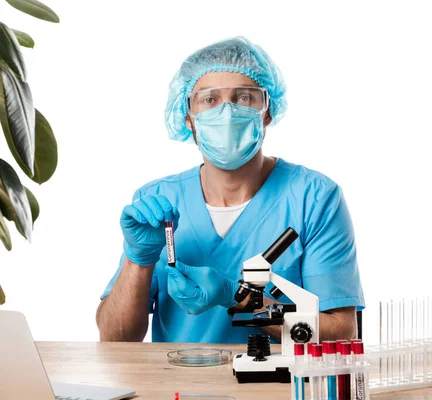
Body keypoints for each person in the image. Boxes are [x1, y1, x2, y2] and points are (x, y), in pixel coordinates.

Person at [96, 37, 364, 343]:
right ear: (188, 117)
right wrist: (137, 260)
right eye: (209, 100)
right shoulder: (157, 202)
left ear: (267, 112)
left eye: (244, 98)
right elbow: (115, 339)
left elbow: (340, 334)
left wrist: (236, 296)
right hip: (176, 386)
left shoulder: (313, 199)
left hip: (276, 388)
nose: (226, 113)